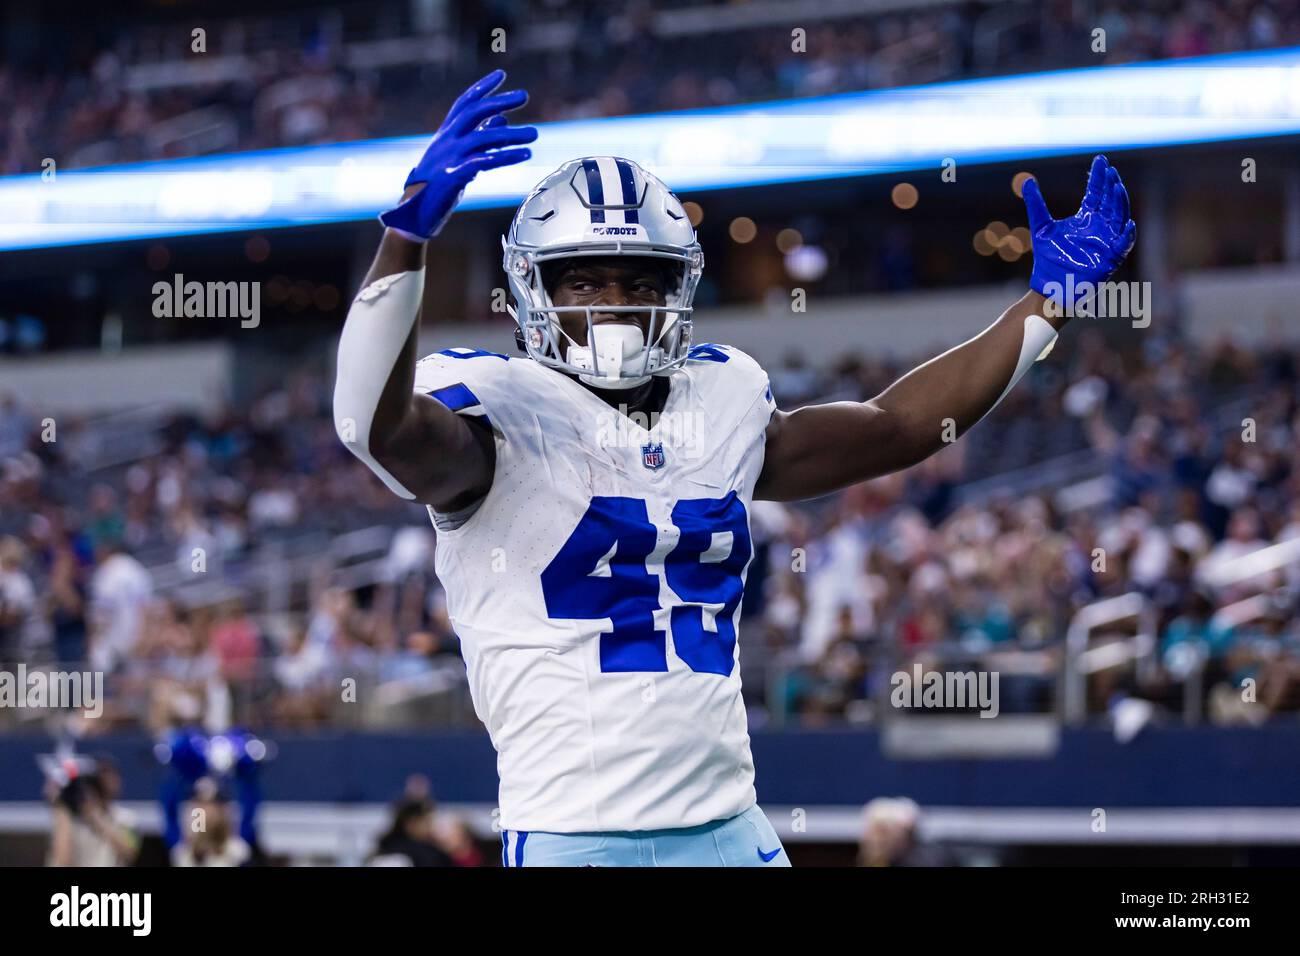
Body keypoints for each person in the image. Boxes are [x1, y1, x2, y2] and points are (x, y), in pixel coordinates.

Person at [333, 70, 1136, 866]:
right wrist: (406, 235)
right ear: (530, 293)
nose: (614, 303)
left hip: (732, 830)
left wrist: (1046, 303)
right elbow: (372, 425)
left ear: (679, 287)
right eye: (583, 279)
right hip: (575, 840)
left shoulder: (721, 397)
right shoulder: (494, 414)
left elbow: (899, 427)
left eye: (640, 280)